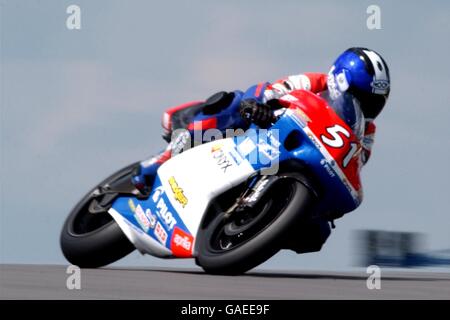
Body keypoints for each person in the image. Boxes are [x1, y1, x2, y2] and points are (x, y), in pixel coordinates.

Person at [131, 47, 390, 253]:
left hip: (301, 160)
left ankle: (255, 227)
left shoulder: (366, 131)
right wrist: (258, 105)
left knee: (316, 235)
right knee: (231, 103)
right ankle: (162, 159)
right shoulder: (314, 82)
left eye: (375, 102)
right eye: (364, 97)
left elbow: (355, 163)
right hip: (260, 131)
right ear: (340, 81)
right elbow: (271, 89)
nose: (369, 106)